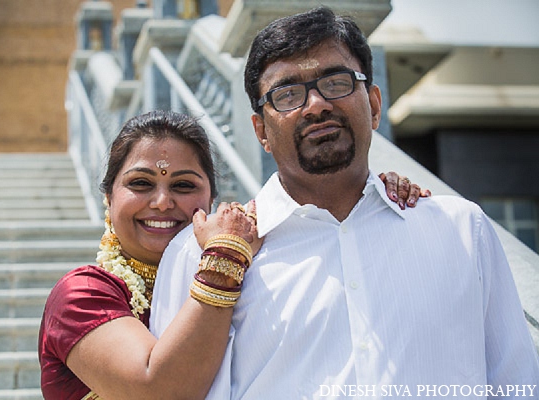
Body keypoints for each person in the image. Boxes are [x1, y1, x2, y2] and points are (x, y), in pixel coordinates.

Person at [150, 7, 539, 399]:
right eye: (287, 94)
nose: (316, 104)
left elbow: (518, 384)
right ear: (261, 131)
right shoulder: (197, 258)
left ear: (373, 104)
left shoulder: (461, 232)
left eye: (336, 82)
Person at [38, 110, 423, 399]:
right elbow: (159, 390)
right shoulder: (83, 295)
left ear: (210, 200)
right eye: (140, 183)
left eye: (184, 185)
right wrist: (225, 257)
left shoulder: (247, 252)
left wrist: (370, 195)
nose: (162, 202)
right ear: (108, 198)